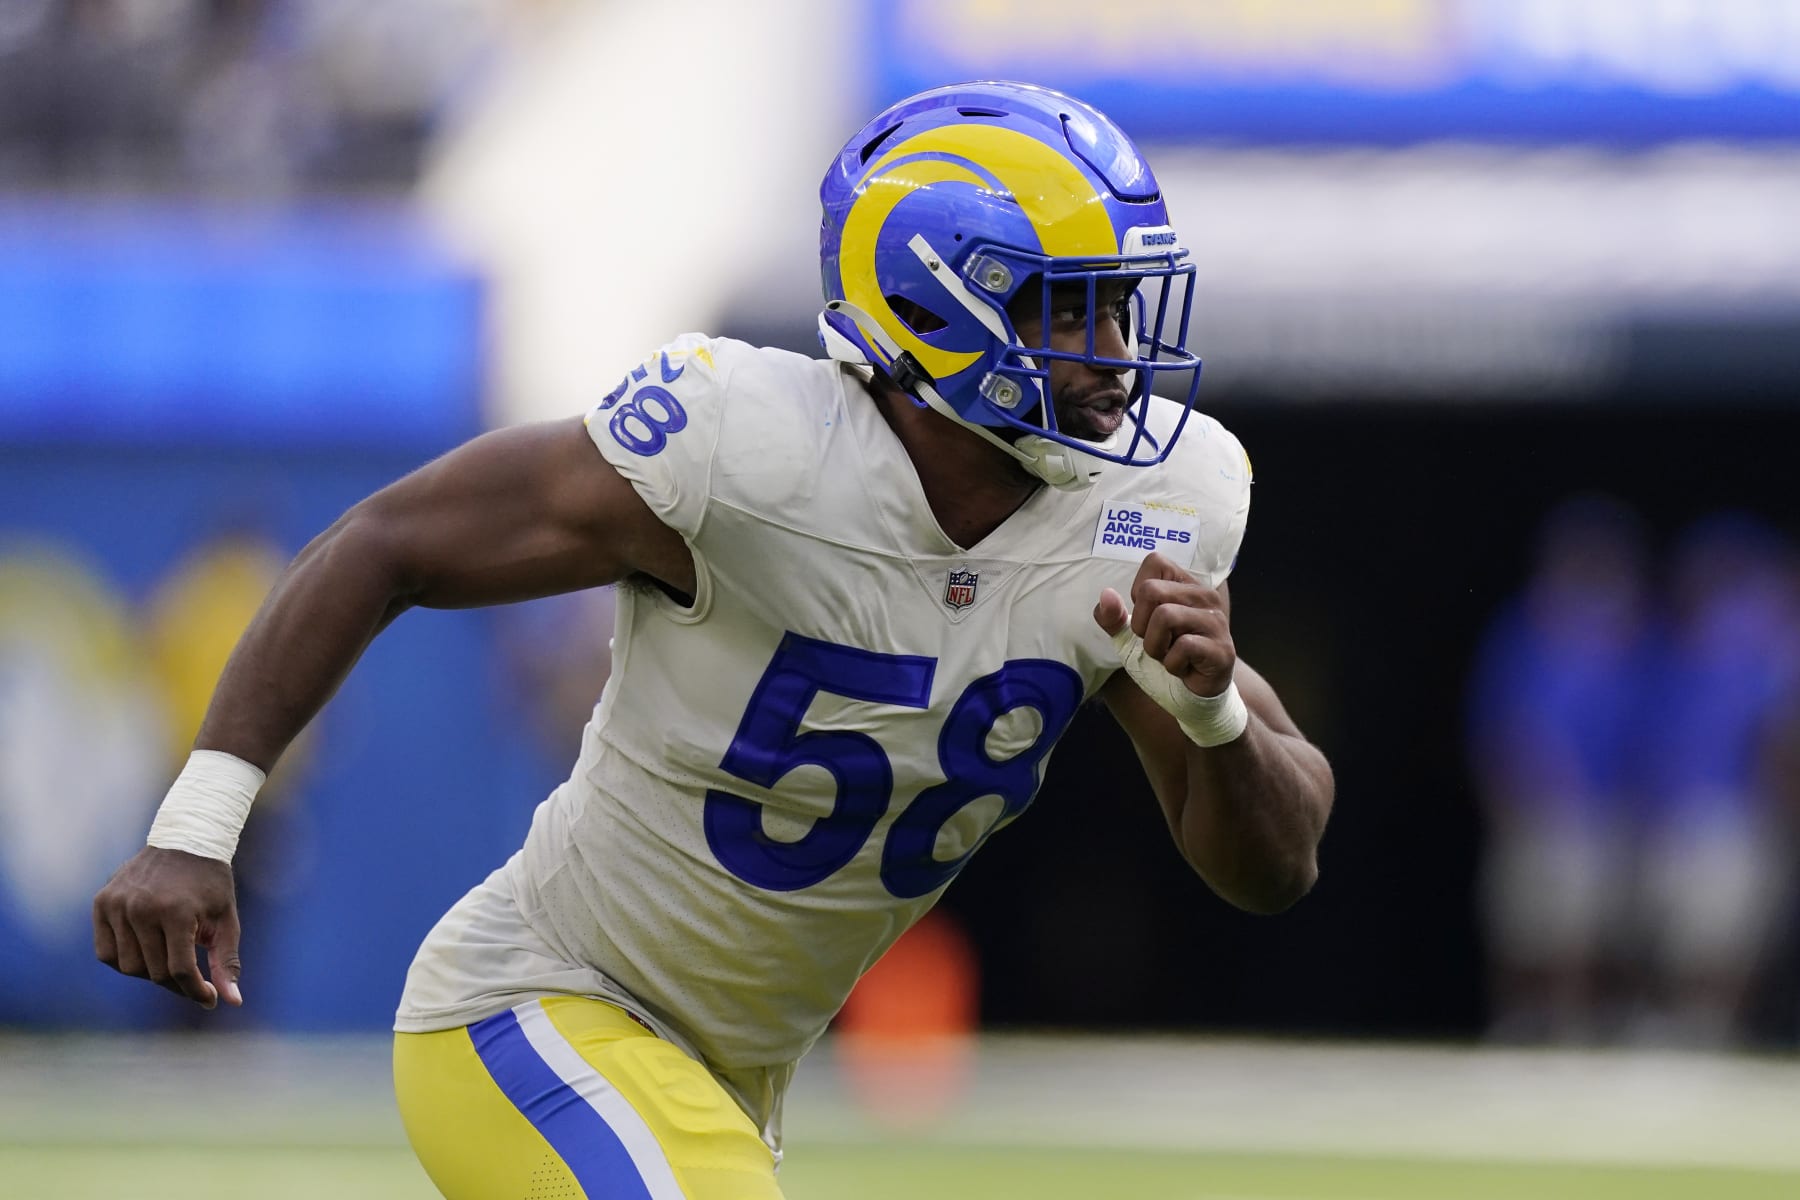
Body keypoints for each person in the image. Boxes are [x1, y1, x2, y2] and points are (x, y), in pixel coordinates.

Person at [93, 81, 1335, 1199]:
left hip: (726, 1077)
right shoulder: (745, 447)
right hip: (535, 1007)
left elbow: (1276, 865)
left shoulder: (1144, 513)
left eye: (1121, 313)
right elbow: (387, 542)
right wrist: (198, 828)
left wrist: (1214, 716)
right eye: (1074, 314)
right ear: (933, 306)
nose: (1117, 361)